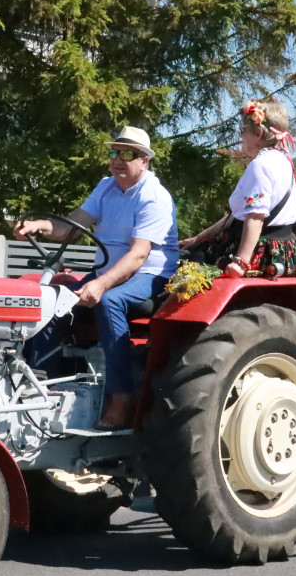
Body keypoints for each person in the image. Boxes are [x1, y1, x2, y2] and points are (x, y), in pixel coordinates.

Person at [14, 126, 179, 430]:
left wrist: (101, 284)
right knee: (51, 301)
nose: (117, 159)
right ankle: (42, 388)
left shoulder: (153, 196)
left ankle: (122, 400)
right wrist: (37, 225)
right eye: (113, 152)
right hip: (112, 269)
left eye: (126, 153)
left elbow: (138, 257)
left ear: (144, 160)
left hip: (151, 274)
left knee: (110, 301)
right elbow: (72, 226)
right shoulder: (106, 187)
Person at [179, 99, 296, 277]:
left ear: (258, 133)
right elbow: (237, 216)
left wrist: (240, 262)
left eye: (243, 130)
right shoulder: (284, 161)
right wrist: (198, 238)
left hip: (260, 252)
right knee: (194, 251)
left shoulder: (260, 165)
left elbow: (255, 217)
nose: (240, 136)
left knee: (185, 268)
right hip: (282, 252)